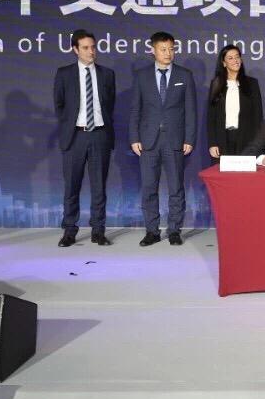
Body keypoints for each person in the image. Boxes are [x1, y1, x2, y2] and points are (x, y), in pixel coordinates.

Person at [130, 31, 197, 247]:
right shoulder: (142, 76)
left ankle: (174, 230)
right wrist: (134, 137)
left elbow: (191, 110)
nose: (168, 53)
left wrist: (189, 138)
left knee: (176, 188)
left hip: (175, 140)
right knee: (149, 188)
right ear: (153, 50)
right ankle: (152, 231)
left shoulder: (184, 75)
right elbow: (135, 110)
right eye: (163, 49)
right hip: (148, 141)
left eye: (171, 49)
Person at [53, 29, 116, 247]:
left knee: (99, 188)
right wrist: (71, 126)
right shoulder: (64, 74)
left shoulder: (107, 74)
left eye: (93, 47)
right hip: (75, 137)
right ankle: (69, 231)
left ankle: (98, 231)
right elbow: (59, 105)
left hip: (100, 135)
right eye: (86, 48)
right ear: (75, 49)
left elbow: (109, 105)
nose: (91, 52)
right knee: (72, 187)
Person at [206, 44, 263, 161]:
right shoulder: (216, 84)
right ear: (224, 63)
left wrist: (256, 143)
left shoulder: (252, 83)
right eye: (230, 58)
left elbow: (258, 115)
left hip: (246, 138)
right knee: (223, 172)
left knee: (244, 171)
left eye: (237, 57)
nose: (235, 60)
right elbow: (211, 117)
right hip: (222, 139)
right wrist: (212, 143)